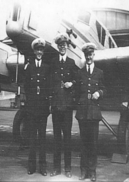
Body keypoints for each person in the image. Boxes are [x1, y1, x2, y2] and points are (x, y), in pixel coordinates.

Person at [75, 42, 106, 182]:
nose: (89, 57)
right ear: (84, 55)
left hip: (93, 113)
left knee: (93, 144)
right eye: (86, 55)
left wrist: (99, 93)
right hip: (82, 113)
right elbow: (76, 92)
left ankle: (92, 172)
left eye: (91, 54)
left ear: (94, 55)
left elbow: (105, 89)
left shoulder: (100, 73)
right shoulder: (79, 73)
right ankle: (83, 171)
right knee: (83, 144)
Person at [49, 32, 78, 178]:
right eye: (60, 45)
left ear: (67, 46)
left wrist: (71, 83)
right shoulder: (53, 63)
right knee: (56, 139)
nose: (62, 47)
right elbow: (49, 83)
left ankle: (67, 168)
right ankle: (56, 168)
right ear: (58, 46)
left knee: (67, 138)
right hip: (56, 107)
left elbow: (78, 80)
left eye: (64, 45)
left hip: (66, 107)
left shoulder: (71, 63)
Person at [24, 37, 50, 176]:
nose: (39, 52)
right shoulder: (29, 68)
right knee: (32, 138)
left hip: (43, 109)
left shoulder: (47, 68)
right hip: (32, 108)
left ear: (43, 52)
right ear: (34, 51)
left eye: (41, 49)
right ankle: (31, 166)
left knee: (42, 139)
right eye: (37, 49)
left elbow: (49, 88)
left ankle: (43, 167)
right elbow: (26, 87)